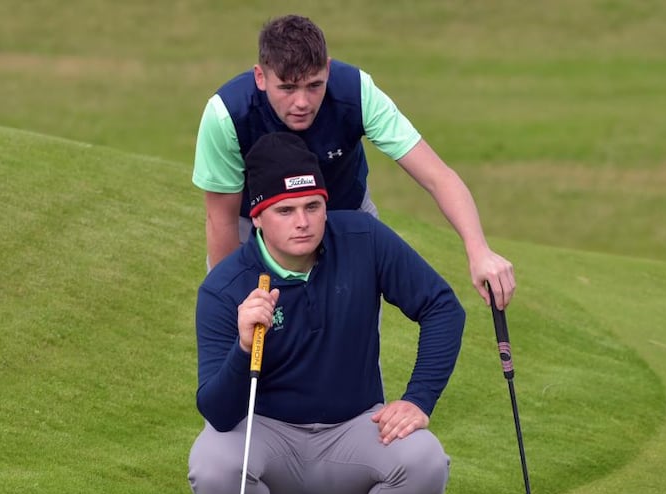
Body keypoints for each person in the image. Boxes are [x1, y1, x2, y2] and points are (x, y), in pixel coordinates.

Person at [168, 132, 466, 494]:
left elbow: (442, 306)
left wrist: (418, 398)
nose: (302, 222)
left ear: (327, 206)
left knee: (424, 461)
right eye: (285, 211)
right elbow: (216, 409)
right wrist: (244, 347)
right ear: (259, 217)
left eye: (313, 206)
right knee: (212, 465)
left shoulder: (363, 238)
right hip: (269, 439)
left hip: (354, 433)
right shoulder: (227, 286)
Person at [194, 13, 515, 310]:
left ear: (328, 71)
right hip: (256, 225)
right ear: (260, 77)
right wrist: (235, 302)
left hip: (344, 214)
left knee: (354, 343)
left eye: (314, 85)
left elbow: (437, 176)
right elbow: (221, 220)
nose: (302, 102)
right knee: (243, 339)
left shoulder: (357, 92)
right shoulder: (227, 114)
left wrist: (479, 250)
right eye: (288, 88)